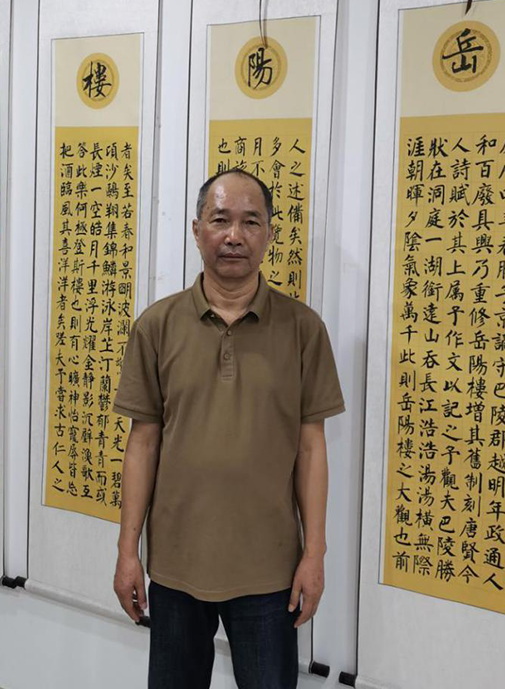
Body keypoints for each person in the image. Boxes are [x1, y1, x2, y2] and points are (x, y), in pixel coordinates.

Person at [112, 169, 345, 689]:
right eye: (220, 220)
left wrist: (314, 554)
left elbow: (311, 449)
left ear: (269, 234)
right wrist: (128, 552)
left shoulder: (303, 329)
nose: (234, 235)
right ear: (197, 230)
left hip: (270, 573)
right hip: (175, 567)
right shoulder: (157, 326)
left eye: (250, 222)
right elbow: (142, 444)